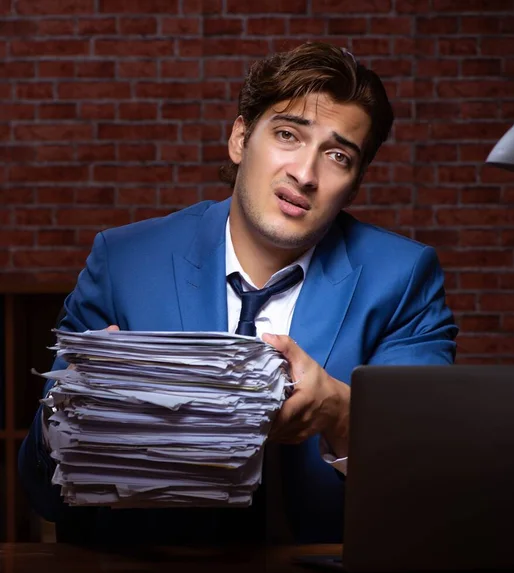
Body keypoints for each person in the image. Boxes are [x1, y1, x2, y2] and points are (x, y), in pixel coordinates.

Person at [18, 42, 458, 545]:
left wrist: (339, 410)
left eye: (337, 155)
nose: (305, 174)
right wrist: (81, 409)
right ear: (240, 138)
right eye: (288, 134)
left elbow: (425, 486)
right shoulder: (123, 262)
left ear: (354, 184)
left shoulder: (403, 279)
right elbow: (44, 494)